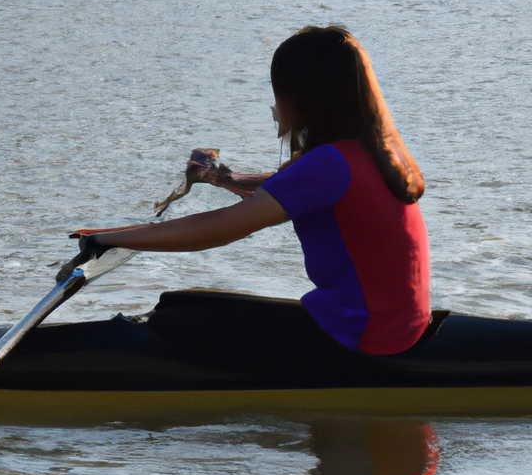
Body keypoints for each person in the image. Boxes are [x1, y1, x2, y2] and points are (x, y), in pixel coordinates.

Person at [75, 26, 430, 356]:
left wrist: (110, 241)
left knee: (175, 314)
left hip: (364, 335)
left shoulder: (327, 164)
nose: (274, 106)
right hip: (399, 325)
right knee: (186, 305)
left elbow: (223, 229)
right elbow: (277, 190)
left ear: (306, 96)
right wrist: (218, 176)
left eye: (278, 91)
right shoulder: (372, 153)